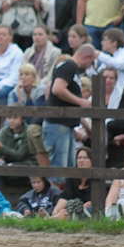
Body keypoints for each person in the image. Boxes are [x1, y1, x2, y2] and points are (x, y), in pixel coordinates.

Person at [42, 44, 95, 184]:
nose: (90, 65)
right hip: (57, 125)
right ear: (86, 57)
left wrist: (81, 126)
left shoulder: (71, 68)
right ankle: (51, 203)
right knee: (59, 170)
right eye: (91, 61)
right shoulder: (68, 66)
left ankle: (66, 203)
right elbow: (58, 89)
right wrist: (81, 101)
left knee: (70, 169)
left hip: (64, 126)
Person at [93, 28, 124, 93]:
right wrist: (91, 65)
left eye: (104, 40)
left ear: (114, 42)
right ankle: (97, 102)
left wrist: (99, 54)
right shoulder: (109, 57)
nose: (101, 43)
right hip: (111, 93)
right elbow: (99, 74)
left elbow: (118, 64)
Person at [51, 147, 93, 220]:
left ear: (91, 161)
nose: (81, 160)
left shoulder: (96, 179)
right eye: (79, 158)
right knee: (62, 211)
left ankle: (53, 219)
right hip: (70, 209)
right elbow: (65, 197)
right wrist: (56, 211)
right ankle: (54, 217)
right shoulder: (71, 178)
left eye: (85, 158)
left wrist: (79, 210)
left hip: (87, 210)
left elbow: (93, 201)